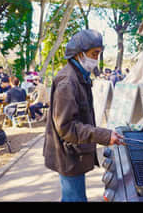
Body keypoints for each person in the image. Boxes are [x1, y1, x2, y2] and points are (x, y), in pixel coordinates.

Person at [43, 29, 124, 202]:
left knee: (74, 196)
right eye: (94, 54)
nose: (96, 59)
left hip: (73, 151)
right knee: (75, 198)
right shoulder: (68, 81)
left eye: (98, 54)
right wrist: (104, 135)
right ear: (80, 54)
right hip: (68, 153)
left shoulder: (79, 76)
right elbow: (67, 127)